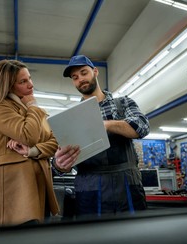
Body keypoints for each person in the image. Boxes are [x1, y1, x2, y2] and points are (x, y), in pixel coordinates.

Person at [52, 54, 150, 218]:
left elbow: (142, 127)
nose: (80, 79)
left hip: (127, 187)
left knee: (134, 238)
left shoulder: (123, 104)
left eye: (84, 73)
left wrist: (105, 125)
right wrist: (60, 164)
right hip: (89, 192)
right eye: (75, 77)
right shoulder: (70, 119)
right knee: (94, 241)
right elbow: (59, 164)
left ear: (95, 72)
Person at [0, 59, 60, 228]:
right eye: (23, 81)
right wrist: (33, 107)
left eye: (29, 78)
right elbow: (27, 135)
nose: (31, 85)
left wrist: (34, 150)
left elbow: (54, 140)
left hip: (38, 185)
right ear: (8, 86)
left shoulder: (31, 111)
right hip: (13, 191)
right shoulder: (1, 108)